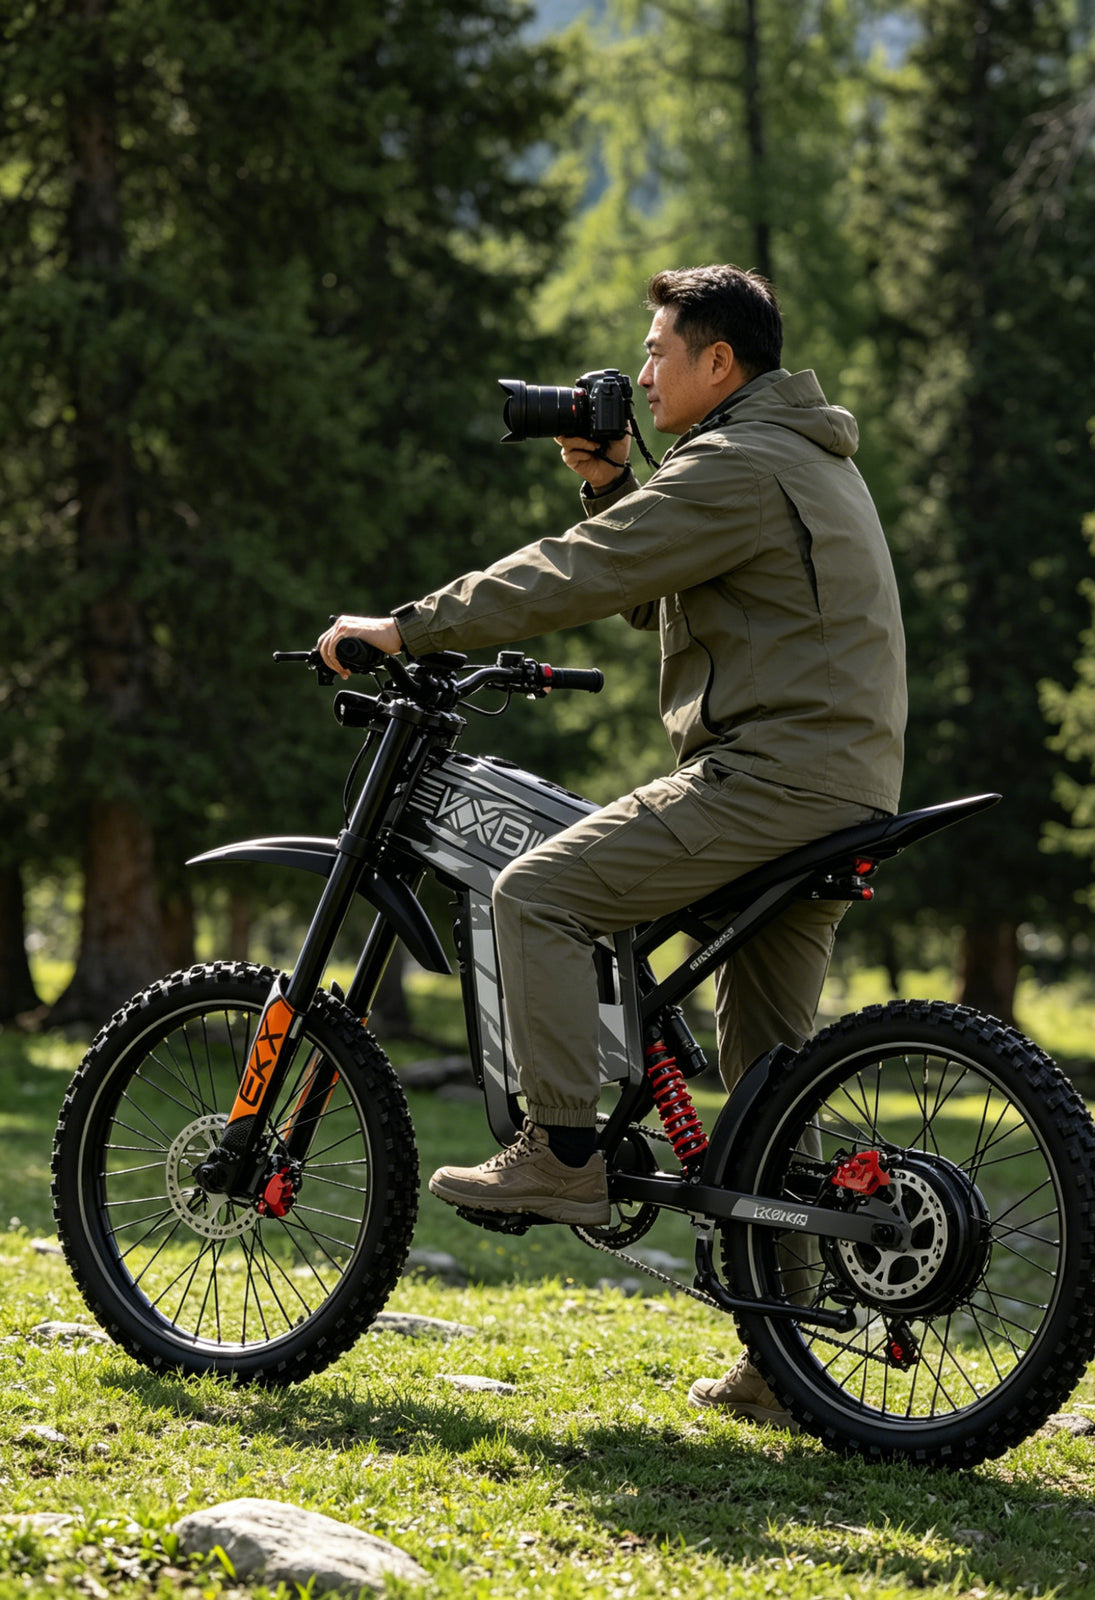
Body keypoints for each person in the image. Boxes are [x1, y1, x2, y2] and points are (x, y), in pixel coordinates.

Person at [318, 263, 906, 1430]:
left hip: (770, 780)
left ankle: (564, 1150)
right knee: (770, 1074)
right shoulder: (789, 454)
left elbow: (583, 578)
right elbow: (653, 575)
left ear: (718, 364)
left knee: (536, 893)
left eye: (657, 352)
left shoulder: (739, 463)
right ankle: (782, 1367)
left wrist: (407, 626)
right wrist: (613, 485)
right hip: (839, 783)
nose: (640, 373)